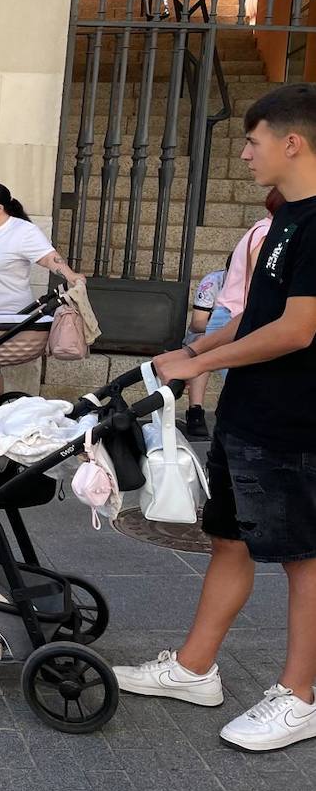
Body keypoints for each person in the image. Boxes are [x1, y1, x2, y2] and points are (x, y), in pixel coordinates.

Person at [115, 83, 316, 753]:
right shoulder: (284, 218)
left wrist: (204, 363)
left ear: (293, 142)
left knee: (304, 559)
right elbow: (258, 317)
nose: (246, 153)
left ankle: (300, 695)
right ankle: (194, 669)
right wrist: (194, 350)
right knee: (228, 539)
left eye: (253, 141)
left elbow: (298, 329)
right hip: (250, 415)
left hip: (295, 423)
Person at [0, 181, 85, 393]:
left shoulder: (22, 231)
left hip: (1, 318)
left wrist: (71, 276)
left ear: (0, 208)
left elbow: (48, 258)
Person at [204, 187, 285, 384]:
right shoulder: (267, 233)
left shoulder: (259, 228)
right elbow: (263, 279)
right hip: (235, 318)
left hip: (229, 316)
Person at [180, 262, 227, 440]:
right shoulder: (213, 281)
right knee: (203, 345)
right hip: (207, 335)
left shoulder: (257, 282)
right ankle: (195, 411)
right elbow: (197, 323)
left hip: (239, 338)